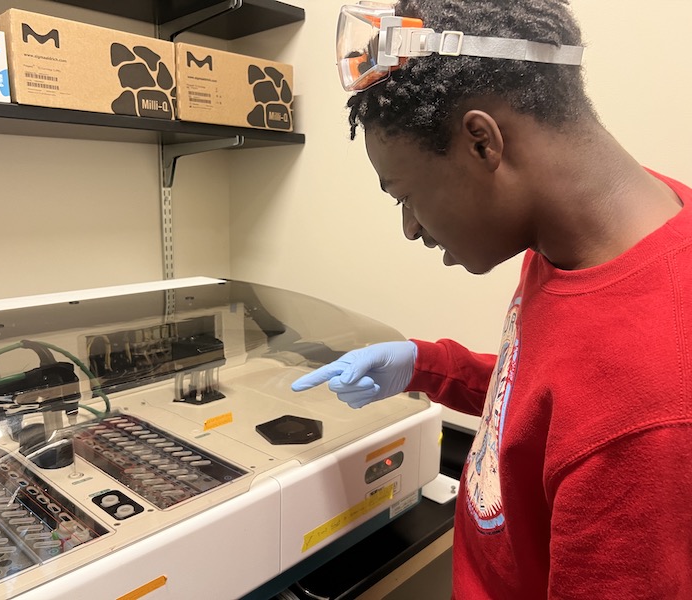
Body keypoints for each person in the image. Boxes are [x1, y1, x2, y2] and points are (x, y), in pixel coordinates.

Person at [291, 0, 692, 597]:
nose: (411, 227)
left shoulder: (648, 412)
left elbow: (600, 407)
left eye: (404, 194)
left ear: (482, 142)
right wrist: (428, 366)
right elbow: (547, 405)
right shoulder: (579, 234)